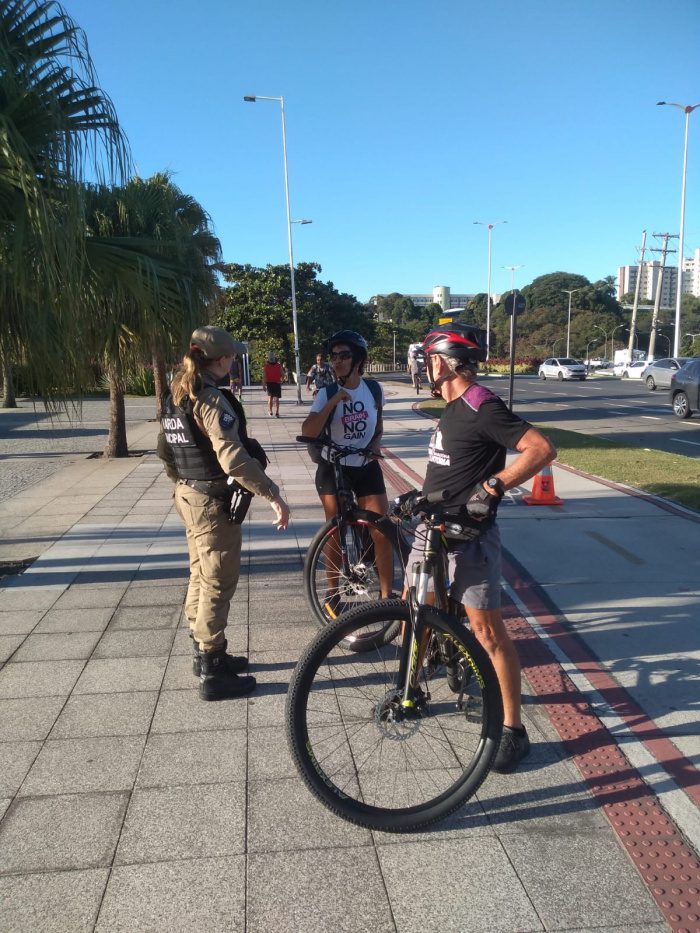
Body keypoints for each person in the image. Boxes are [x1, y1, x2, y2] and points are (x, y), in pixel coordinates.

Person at [413, 326, 555, 771]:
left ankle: (513, 729)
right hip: (431, 528)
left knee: (488, 633)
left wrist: (495, 484)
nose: (423, 364)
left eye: (428, 357)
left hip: (470, 537)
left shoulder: (482, 405)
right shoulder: (451, 407)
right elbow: (451, 464)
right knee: (413, 611)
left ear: (445, 361)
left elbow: (541, 449)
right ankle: (410, 684)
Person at [157, 326, 290, 701]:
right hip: (211, 502)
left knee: (200, 574)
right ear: (222, 359)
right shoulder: (210, 398)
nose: (236, 360)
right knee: (217, 581)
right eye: (233, 356)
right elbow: (232, 457)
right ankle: (213, 671)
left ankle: (203, 652)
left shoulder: (176, 393)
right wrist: (272, 494)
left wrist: (183, 481)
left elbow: (164, 448)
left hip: (188, 494)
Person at [301, 330, 394, 614]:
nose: (336, 361)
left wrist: (374, 447)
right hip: (334, 466)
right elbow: (308, 431)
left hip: (365, 465)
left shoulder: (373, 390)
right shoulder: (326, 393)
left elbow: (377, 428)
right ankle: (332, 594)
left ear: (358, 360)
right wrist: (333, 401)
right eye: (333, 356)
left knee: (382, 529)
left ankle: (388, 597)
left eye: (343, 356)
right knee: (335, 530)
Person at [263, 352, 283, 417]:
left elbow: (264, 376)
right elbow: (283, 374)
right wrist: (281, 380)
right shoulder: (278, 365)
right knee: (277, 398)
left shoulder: (266, 366)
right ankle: (277, 412)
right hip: (277, 383)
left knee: (270, 397)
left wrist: (263, 385)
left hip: (269, 383)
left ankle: (270, 411)